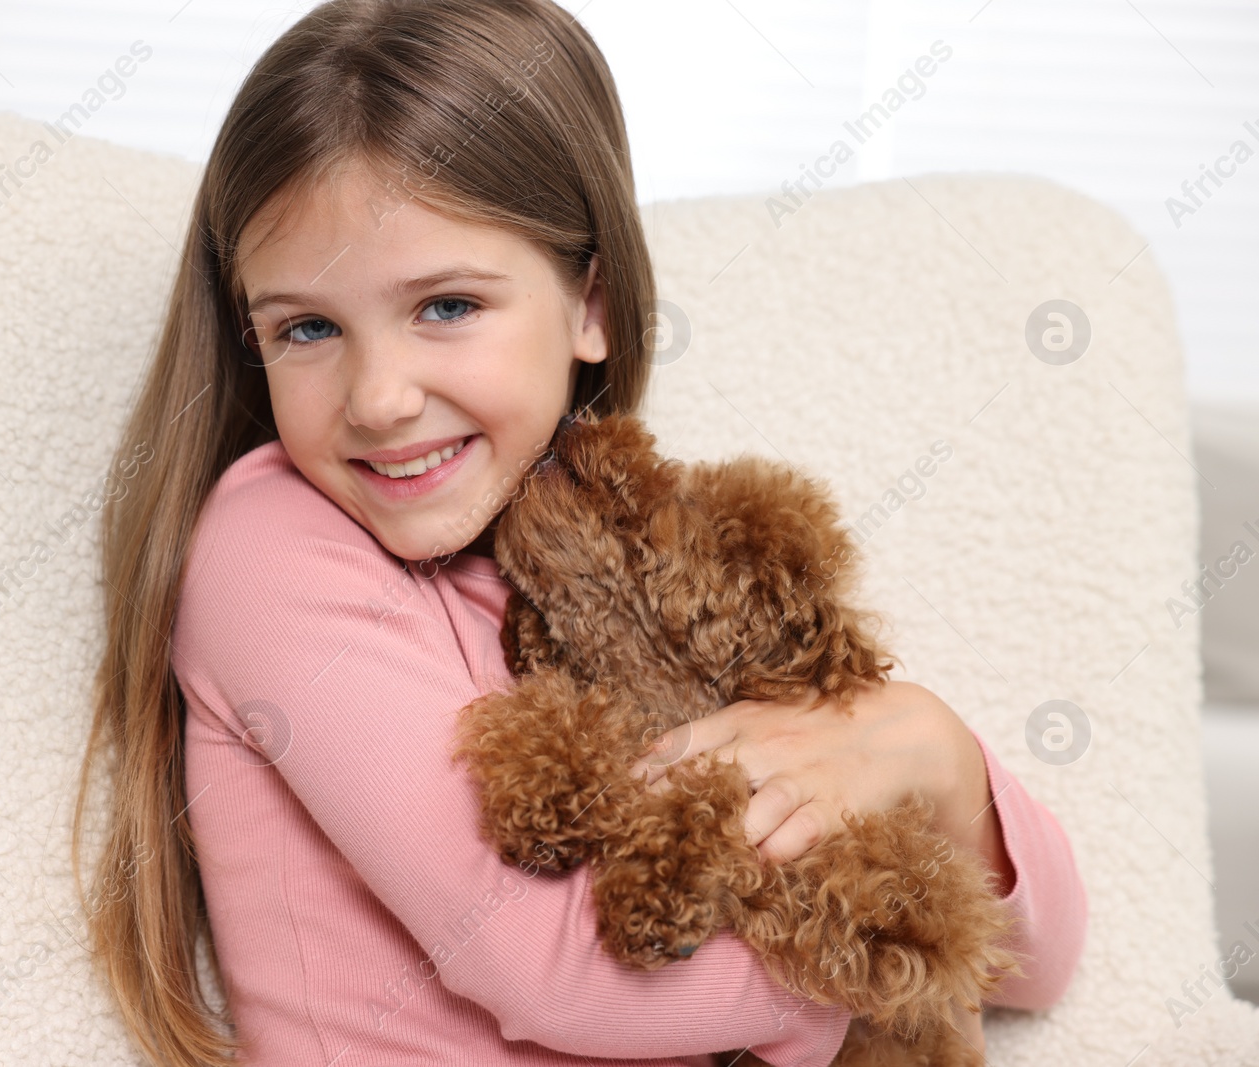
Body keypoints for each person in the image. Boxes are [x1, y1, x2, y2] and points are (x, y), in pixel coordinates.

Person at [74, 1, 1088, 1064]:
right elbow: (556, 971)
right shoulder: (268, 542)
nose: (377, 397)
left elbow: (1039, 959)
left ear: (590, 303)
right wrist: (893, 968)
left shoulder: (633, 565)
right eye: (308, 328)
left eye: (446, 306)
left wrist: (934, 756)